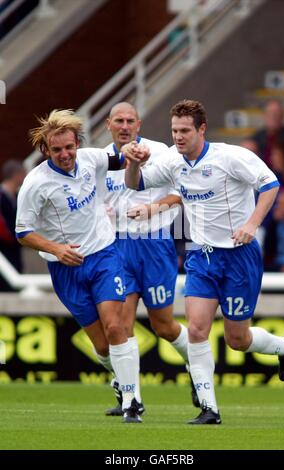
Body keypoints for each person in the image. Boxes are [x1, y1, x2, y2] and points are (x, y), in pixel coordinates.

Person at [124, 99, 284, 425]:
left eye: (185, 130)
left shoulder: (230, 157)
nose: (178, 136)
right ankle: (209, 408)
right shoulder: (173, 162)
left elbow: (270, 184)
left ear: (201, 129)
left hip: (238, 257)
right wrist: (132, 164)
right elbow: (135, 184)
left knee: (237, 339)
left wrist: (252, 225)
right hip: (200, 256)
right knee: (197, 329)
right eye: (174, 130)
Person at [15, 109, 142, 424]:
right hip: (66, 268)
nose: (65, 155)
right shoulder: (35, 184)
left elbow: (117, 159)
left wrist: (131, 153)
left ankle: (132, 401)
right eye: (56, 150)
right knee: (101, 346)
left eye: (69, 147)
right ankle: (122, 381)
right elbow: (22, 232)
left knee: (116, 327)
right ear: (45, 150)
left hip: (103, 253)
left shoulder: (91, 158)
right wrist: (56, 249)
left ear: (77, 143)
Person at [99, 102, 196, 416]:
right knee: (120, 325)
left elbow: (182, 193)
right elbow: (94, 203)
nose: (125, 126)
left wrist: (152, 209)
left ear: (138, 124)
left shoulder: (161, 153)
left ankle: (197, 369)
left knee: (164, 326)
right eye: (119, 121)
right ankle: (131, 400)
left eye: (130, 121)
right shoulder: (99, 161)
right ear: (108, 124)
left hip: (155, 245)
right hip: (118, 248)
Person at [249, 99, 284, 168]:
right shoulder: (255, 139)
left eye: (277, 113)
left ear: (283, 115)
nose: (274, 116)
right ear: (264, 115)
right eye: (270, 112)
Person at [0, 160, 26, 291]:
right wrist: (17, 238)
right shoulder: (1, 196)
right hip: (4, 249)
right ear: (17, 175)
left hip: (14, 250)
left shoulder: (16, 196)